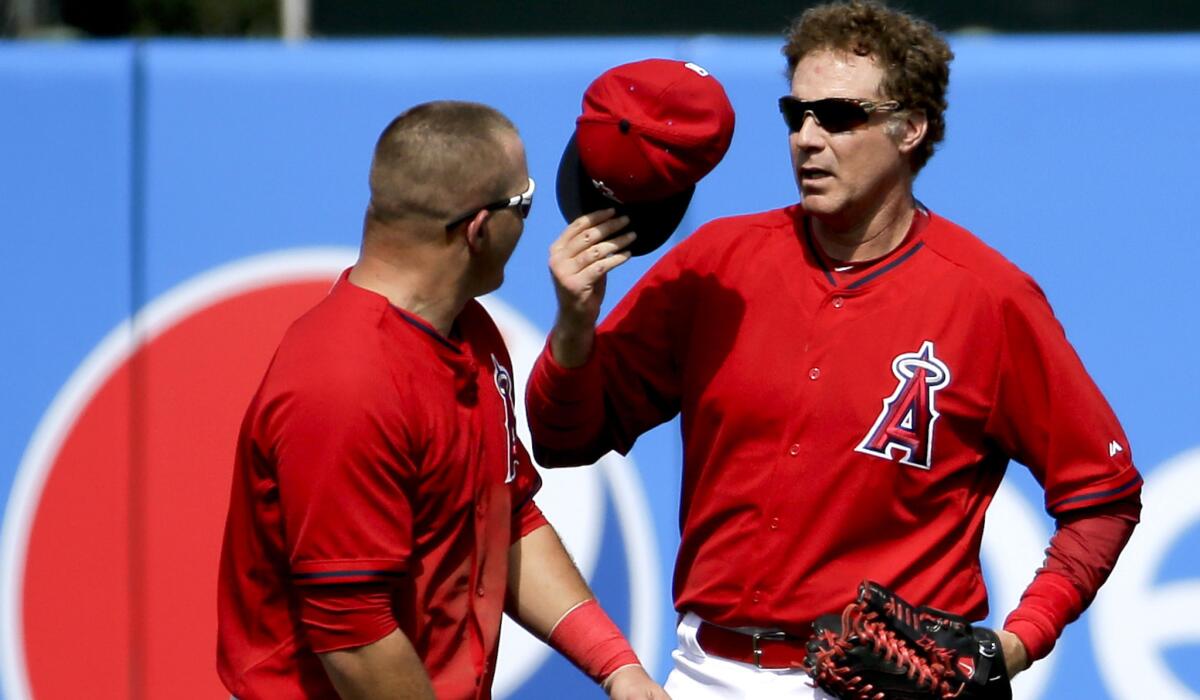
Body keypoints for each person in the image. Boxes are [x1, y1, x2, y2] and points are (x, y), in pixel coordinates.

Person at [526, 2, 1142, 698]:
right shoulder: (718, 267)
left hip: (879, 687)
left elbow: (1103, 496)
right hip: (708, 671)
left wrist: (1015, 643)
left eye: (840, 116)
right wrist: (574, 331)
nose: (807, 140)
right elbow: (563, 439)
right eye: (797, 116)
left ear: (910, 128)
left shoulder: (989, 300)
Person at [216, 101, 669, 700]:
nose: (531, 221)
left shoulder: (471, 333)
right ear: (479, 228)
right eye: (525, 202)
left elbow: (505, 521)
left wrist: (617, 665)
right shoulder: (342, 383)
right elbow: (353, 637)